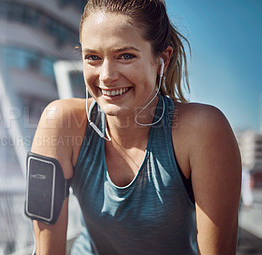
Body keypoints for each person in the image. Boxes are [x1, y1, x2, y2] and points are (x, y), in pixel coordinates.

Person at [29, 0, 241, 254]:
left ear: (162, 59)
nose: (106, 76)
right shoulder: (59, 123)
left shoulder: (203, 130)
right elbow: (46, 249)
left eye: (126, 56)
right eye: (93, 57)